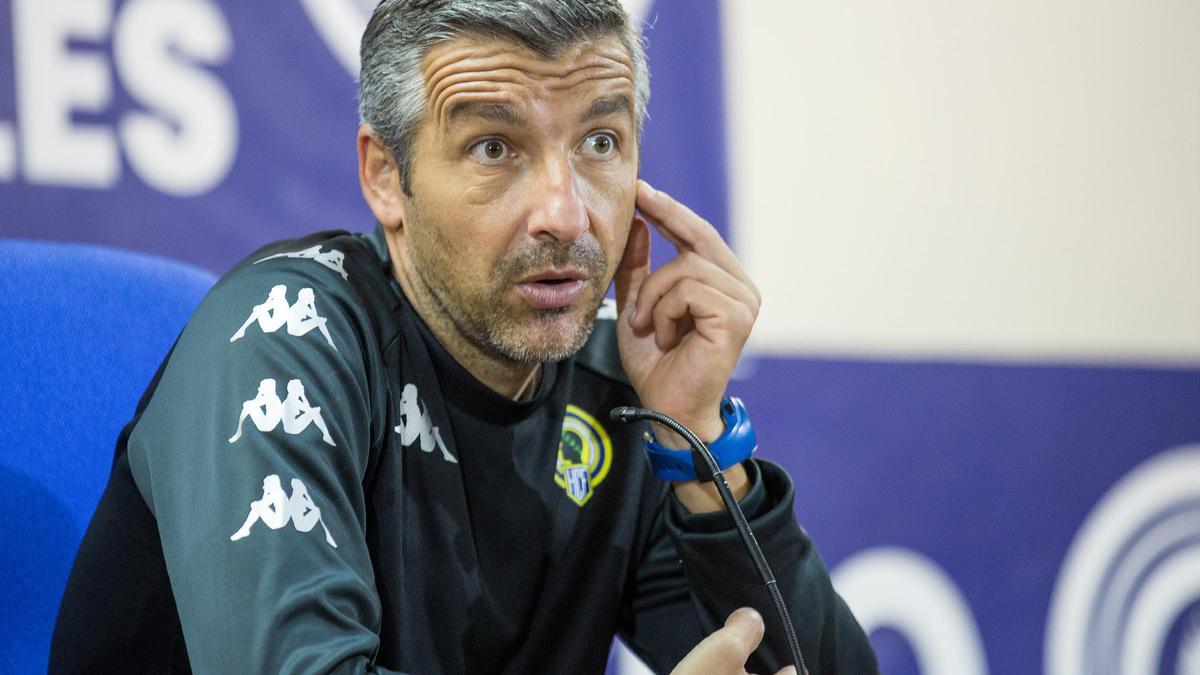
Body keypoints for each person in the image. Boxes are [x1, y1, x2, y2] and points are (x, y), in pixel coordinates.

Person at [49, 1, 878, 673]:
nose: (564, 211)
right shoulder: (282, 340)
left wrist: (700, 444)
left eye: (599, 142)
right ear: (387, 176)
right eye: (493, 145)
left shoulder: (623, 391)